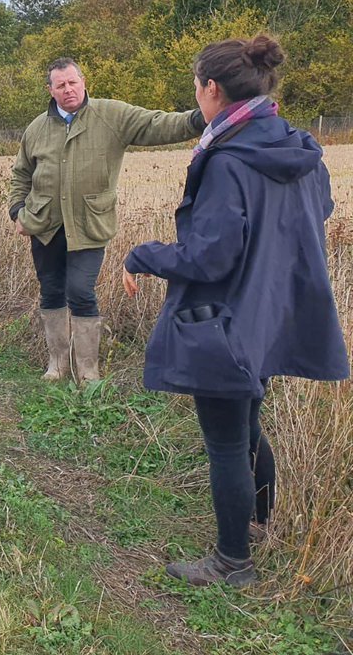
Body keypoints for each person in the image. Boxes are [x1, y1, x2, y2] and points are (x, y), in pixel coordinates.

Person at [123, 36, 347, 588]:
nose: (196, 98)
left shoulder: (227, 161)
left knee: (226, 439)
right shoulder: (299, 148)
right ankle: (261, 525)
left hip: (224, 321)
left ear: (213, 89)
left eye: (196, 88)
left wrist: (143, 255)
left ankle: (231, 562)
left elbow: (209, 256)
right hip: (275, 313)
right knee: (247, 423)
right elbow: (320, 211)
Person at [9, 58, 205, 383]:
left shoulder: (111, 115)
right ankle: (57, 365)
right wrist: (17, 211)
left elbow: (157, 124)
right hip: (44, 226)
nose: (68, 89)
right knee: (51, 290)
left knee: (80, 290)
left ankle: (87, 372)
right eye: (61, 85)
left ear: (83, 82)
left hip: (89, 225)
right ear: (51, 90)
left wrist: (201, 118)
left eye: (73, 82)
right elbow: (21, 174)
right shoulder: (36, 129)